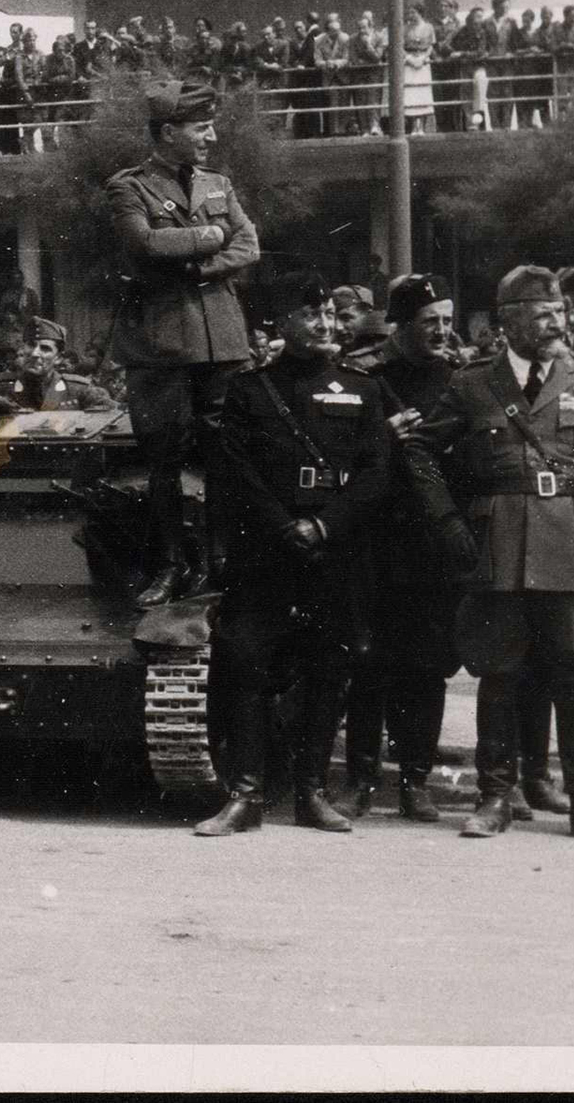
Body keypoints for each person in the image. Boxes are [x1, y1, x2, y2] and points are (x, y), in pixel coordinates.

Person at [404, 266, 574, 842]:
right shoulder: (473, 382)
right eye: (541, 314)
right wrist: (446, 519)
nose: (556, 322)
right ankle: (494, 798)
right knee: (499, 674)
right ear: (508, 322)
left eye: (559, 312)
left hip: (573, 542)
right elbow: (420, 451)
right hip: (500, 543)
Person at [193, 272, 391, 836]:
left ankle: (311, 793)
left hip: (334, 549)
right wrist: (284, 527)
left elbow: (377, 471)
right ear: (280, 323)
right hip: (267, 550)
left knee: (328, 667)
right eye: (310, 314)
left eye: (328, 312)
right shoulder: (250, 390)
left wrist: (325, 525)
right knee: (247, 665)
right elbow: (235, 471)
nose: (325, 323)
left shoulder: (362, 388)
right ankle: (246, 796)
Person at [103, 78, 260, 608]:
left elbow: (249, 245)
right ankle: (171, 565)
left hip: (223, 339)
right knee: (163, 460)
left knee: (226, 457)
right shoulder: (129, 187)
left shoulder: (219, 183)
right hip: (162, 341)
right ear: (169, 132)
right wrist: (211, 237)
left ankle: (219, 564)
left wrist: (195, 266)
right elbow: (144, 243)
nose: (211, 137)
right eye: (201, 128)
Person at [340, 275, 468, 820]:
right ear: (401, 324)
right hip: (375, 538)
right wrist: (382, 437)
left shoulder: (458, 377)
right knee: (369, 661)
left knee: (428, 663)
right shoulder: (363, 377)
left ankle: (416, 779)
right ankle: (361, 780)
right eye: (429, 321)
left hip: (431, 540)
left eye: (447, 320)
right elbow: (332, 451)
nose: (442, 330)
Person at [0, 317, 114, 412]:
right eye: (31, 345)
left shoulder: (79, 390)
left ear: (58, 358)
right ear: (23, 349)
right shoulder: (2, 389)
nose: (35, 353)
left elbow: (109, 419)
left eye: (45, 348)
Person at [329, 284, 383, 358]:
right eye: (332, 318)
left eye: (346, 318)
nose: (338, 327)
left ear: (368, 316)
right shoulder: (333, 358)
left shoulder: (386, 355)